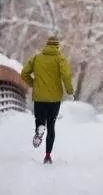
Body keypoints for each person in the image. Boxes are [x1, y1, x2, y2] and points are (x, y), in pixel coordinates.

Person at [21, 36, 74, 164]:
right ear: (57, 46)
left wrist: (34, 84)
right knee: (51, 125)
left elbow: (24, 73)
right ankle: (47, 156)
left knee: (40, 119)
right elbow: (66, 75)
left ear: (46, 45)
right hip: (54, 99)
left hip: (40, 97)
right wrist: (69, 90)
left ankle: (39, 128)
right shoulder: (60, 59)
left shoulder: (37, 58)